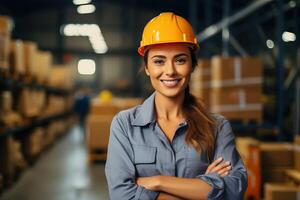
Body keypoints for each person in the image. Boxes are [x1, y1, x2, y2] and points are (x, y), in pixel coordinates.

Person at [105, 12, 247, 200]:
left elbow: (234, 189)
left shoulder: (217, 126)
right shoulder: (124, 125)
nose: (170, 71)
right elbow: (121, 195)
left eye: (180, 60)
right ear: (147, 67)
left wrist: (158, 182)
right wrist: (202, 188)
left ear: (192, 66)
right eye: (159, 61)